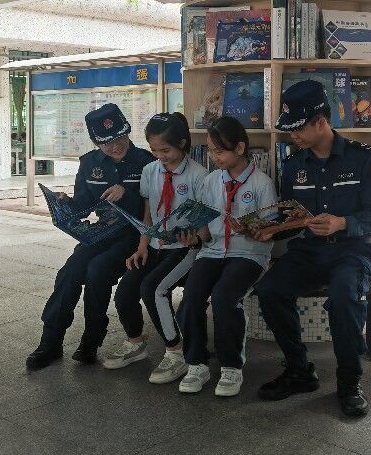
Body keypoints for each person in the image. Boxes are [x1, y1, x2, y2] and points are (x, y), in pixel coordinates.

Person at [254, 80, 371, 416]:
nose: (293, 136)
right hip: (309, 251)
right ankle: (299, 370)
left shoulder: (363, 157)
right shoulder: (294, 165)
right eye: (289, 130)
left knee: (345, 296)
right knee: (270, 290)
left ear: (320, 121)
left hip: (352, 250)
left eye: (298, 128)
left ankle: (349, 380)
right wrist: (269, 230)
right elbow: (292, 216)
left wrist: (342, 222)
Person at [26, 103, 155, 370]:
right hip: (102, 232)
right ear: (96, 143)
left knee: (98, 270)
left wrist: (126, 194)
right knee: (70, 271)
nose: (116, 146)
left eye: (120, 138)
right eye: (107, 143)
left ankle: (91, 341)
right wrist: (66, 202)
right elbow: (84, 205)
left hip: (134, 236)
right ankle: (50, 342)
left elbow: (153, 207)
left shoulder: (146, 162)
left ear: (127, 132)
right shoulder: (89, 163)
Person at [175, 116, 277, 397]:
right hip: (213, 250)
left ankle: (231, 366)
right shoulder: (210, 182)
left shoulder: (261, 183)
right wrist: (194, 238)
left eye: (219, 151)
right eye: (210, 151)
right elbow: (204, 230)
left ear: (240, 148)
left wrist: (255, 230)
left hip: (249, 254)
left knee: (224, 296)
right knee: (192, 295)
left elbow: (272, 229)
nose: (213, 157)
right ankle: (196, 363)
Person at [103, 113, 207, 385]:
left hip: (186, 250)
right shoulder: (151, 171)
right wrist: (142, 248)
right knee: (126, 289)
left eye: (166, 150)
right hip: (156, 244)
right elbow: (148, 216)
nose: (160, 156)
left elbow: (205, 225)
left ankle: (176, 352)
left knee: (153, 288)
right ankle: (135, 342)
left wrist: (194, 238)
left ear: (182, 143)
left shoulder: (199, 175)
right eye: (154, 150)